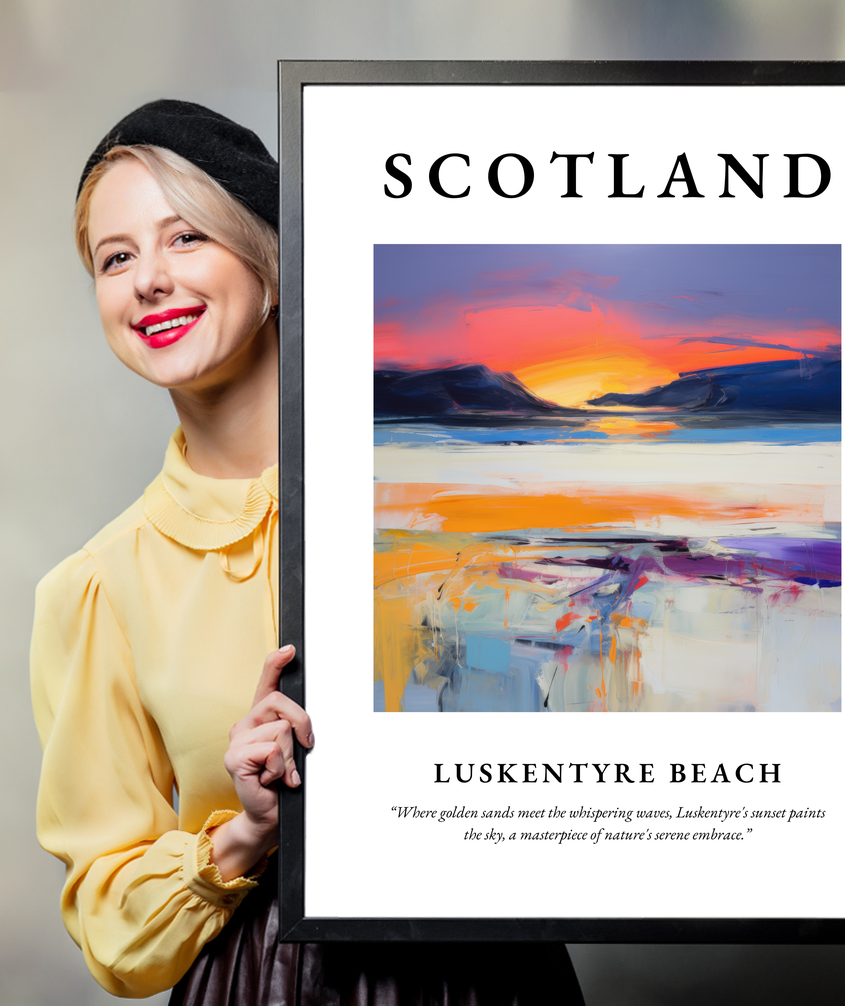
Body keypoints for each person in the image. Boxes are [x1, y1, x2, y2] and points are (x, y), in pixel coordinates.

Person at [30, 100, 586, 1004]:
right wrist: (245, 832)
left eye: (185, 238)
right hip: (262, 982)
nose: (148, 281)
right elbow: (110, 922)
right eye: (116, 257)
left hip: (491, 973)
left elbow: (617, 705)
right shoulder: (97, 587)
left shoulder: (456, 495)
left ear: (272, 263)